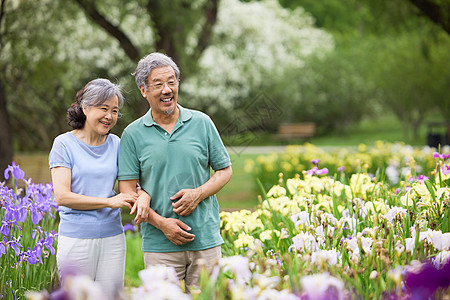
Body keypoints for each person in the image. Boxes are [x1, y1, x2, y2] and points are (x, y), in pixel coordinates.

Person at [118, 52, 232, 290]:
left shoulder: (202, 123)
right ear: (143, 90)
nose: (166, 89)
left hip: (205, 240)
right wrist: (162, 224)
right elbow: (128, 193)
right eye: (158, 84)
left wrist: (198, 194)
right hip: (160, 246)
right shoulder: (132, 134)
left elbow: (224, 170)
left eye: (171, 82)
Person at [49, 78, 139, 299]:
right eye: (104, 108)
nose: (110, 116)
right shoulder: (64, 144)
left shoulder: (117, 144)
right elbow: (62, 196)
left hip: (113, 239)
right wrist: (109, 201)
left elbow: (133, 184)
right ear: (85, 108)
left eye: (115, 111)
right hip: (76, 241)